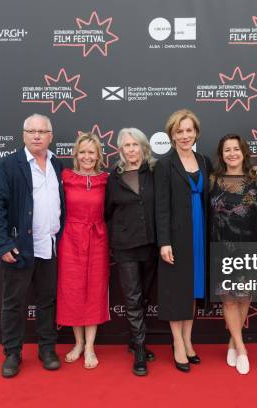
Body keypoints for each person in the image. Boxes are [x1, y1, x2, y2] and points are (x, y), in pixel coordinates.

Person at [0, 113, 65, 378]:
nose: (37, 135)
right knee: (13, 303)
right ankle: (12, 353)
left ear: (51, 136)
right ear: (23, 135)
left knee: (47, 302)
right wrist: (2, 244)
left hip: (50, 246)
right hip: (19, 248)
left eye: (42, 131)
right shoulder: (9, 165)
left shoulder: (58, 165)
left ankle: (47, 349)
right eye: (31, 131)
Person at [154, 109, 212, 372]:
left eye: (189, 130)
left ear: (196, 132)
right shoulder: (165, 164)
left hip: (199, 234)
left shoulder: (204, 160)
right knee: (176, 289)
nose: (185, 135)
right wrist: (164, 241)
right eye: (180, 131)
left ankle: (189, 341)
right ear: (172, 135)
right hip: (176, 237)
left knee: (193, 289)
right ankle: (177, 342)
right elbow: (161, 207)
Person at [104, 128, 158, 376]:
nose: (131, 150)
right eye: (126, 145)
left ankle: (136, 339)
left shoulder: (155, 172)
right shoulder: (112, 178)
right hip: (124, 246)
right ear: (120, 149)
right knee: (133, 298)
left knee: (145, 296)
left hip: (150, 245)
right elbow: (106, 213)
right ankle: (139, 350)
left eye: (135, 144)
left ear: (143, 146)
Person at [57, 132, 109, 369]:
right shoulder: (65, 177)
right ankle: (78, 343)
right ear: (75, 154)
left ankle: (90, 346)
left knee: (95, 291)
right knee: (73, 290)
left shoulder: (106, 179)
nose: (87, 156)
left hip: (98, 238)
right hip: (71, 237)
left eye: (91, 152)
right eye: (83, 152)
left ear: (98, 155)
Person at [209, 134, 257, 375]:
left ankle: (232, 342)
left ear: (243, 152)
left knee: (244, 297)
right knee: (228, 299)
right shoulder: (213, 180)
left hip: (249, 247)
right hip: (221, 247)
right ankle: (242, 349)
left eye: (236, 149)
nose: (231, 153)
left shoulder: (256, 178)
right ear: (222, 154)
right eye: (227, 149)